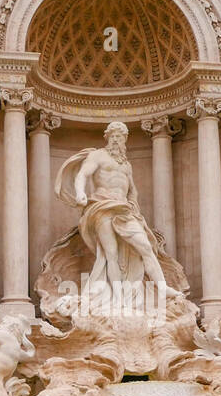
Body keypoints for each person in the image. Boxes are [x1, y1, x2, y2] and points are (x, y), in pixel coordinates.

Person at [55, 121, 179, 296]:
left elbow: (132, 190)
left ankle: (163, 286)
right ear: (107, 138)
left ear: (125, 140)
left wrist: (134, 208)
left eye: (119, 137)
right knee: (110, 253)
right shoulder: (98, 155)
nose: (115, 140)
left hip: (124, 210)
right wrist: (80, 192)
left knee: (145, 247)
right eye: (112, 136)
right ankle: (119, 296)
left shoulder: (126, 165)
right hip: (102, 206)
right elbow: (83, 174)